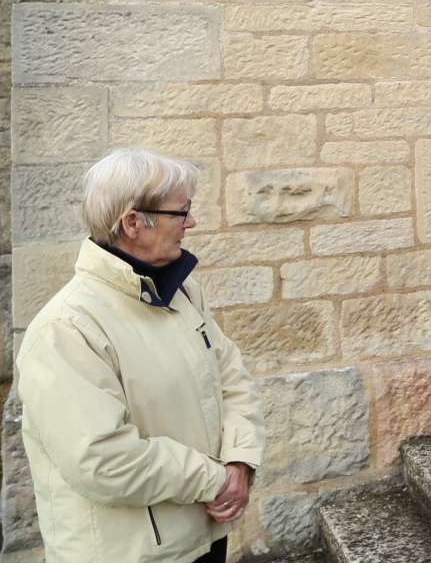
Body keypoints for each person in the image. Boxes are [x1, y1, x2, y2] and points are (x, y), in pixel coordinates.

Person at [16, 148, 264, 563]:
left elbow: (230, 375)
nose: (192, 222)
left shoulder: (181, 293)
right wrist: (215, 480)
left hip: (203, 536)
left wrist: (240, 461)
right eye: (181, 212)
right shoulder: (66, 329)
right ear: (133, 222)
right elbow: (101, 459)